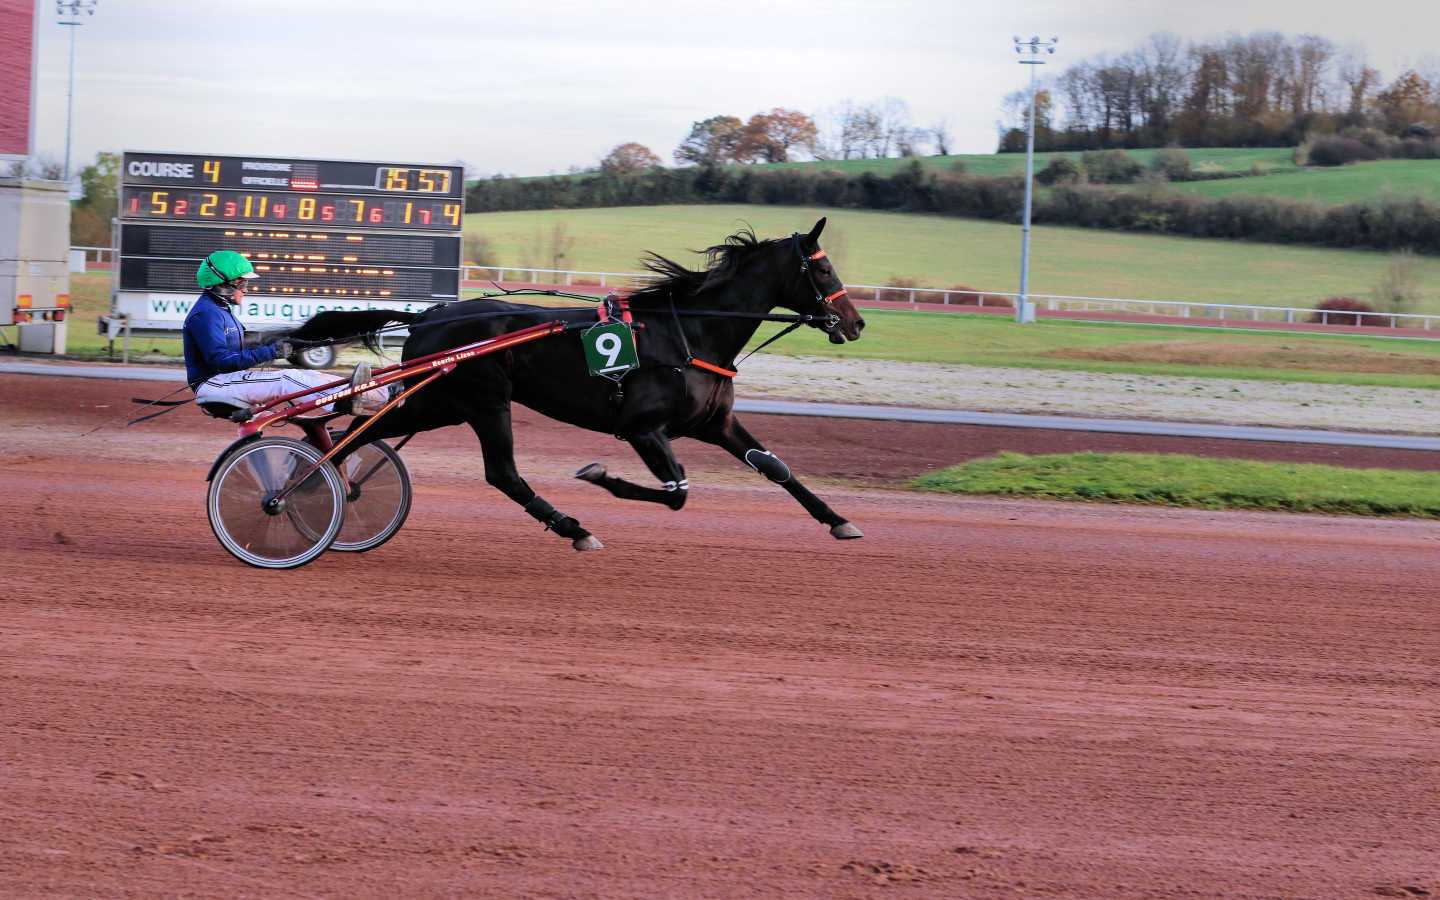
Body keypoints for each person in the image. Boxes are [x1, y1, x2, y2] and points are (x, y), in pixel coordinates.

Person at [183, 250, 386, 416]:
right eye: (241, 283)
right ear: (222, 284)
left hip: (226, 380)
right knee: (287, 379)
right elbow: (222, 361)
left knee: (305, 375)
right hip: (214, 384)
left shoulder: (220, 310)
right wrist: (275, 351)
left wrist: (290, 343)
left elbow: (246, 345)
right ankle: (344, 401)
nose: (245, 289)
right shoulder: (205, 315)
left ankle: (377, 394)